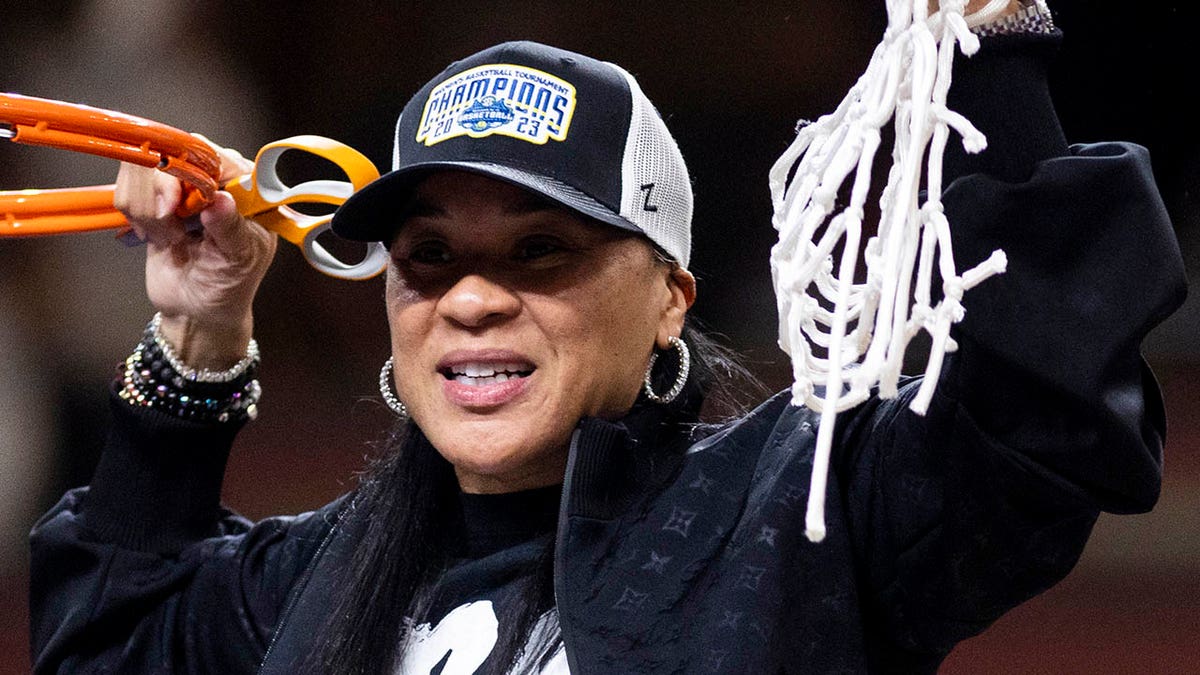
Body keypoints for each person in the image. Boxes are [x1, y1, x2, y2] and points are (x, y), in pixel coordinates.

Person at [28, 1, 1187, 673]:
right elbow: (109, 646)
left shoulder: (803, 511)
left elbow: (1042, 404)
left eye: (544, 253)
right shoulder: (318, 574)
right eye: (428, 258)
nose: (472, 300)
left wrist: (982, 36)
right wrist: (197, 330)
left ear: (673, 296)